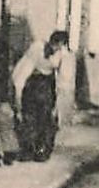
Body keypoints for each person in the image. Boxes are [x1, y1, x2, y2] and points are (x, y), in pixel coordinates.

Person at [12, 30, 72, 162]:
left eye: (61, 45)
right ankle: (27, 150)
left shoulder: (63, 54)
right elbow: (24, 70)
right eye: (56, 45)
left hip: (48, 85)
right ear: (51, 42)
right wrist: (18, 92)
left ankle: (42, 150)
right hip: (33, 82)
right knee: (30, 117)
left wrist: (59, 101)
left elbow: (64, 78)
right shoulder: (37, 48)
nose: (57, 48)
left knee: (46, 119)